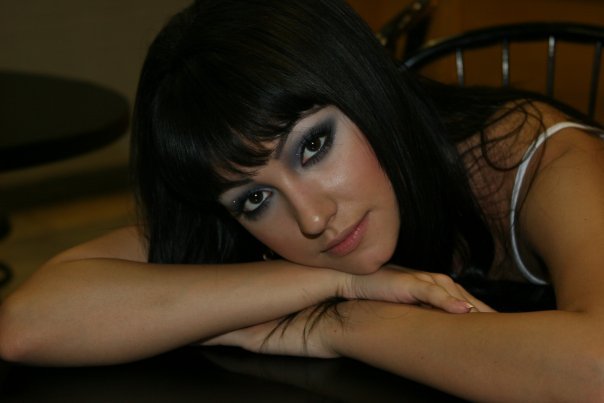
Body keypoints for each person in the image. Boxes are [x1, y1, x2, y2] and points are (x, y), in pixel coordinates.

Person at [1, 0, 604, 400]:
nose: (312, 218)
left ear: (363, 88)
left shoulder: (534, 156)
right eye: (255, 197)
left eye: (313, 146)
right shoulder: (251, 225)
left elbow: (594, 368)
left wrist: (342, 324)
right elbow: (27, 323)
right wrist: (332, 285)